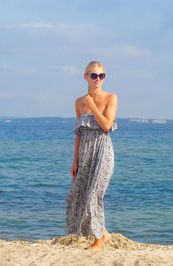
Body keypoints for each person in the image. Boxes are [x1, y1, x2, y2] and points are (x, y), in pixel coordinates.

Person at [65, 61, 118, 250]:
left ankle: (98, 239)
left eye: (101, 75)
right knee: (77, 194)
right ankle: (103, 233)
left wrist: (92, 105)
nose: (98, 79)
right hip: (85, 153)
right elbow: (79, 133)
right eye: (94, 75)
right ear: (86, 76)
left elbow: (106, 125)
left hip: (103, 151)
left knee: (95, 195)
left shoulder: (111, 98)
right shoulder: (78, 102)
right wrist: (75, 162)